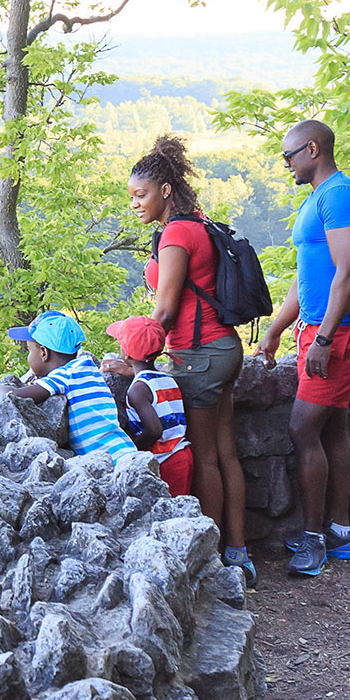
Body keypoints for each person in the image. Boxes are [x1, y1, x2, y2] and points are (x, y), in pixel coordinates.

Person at [257, 118, 350, 578]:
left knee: (302, 429)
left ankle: (314, 539)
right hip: (323, 328)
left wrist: (324, 338)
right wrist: (277, 329)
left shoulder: (340, 196)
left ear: (312, 150)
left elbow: (348, 273)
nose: (285, 164)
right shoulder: (317, 198)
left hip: (342, 331)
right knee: (332, 427)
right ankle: (340, 533)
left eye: (288, 156)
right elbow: (308, 274)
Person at [129, 134, 251, 580]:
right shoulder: (197, 222)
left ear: (164, 190)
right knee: (226, 453)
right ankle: (238, 551)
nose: (135, 204)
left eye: (141, 195)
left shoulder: (176, 234)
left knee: (204, 458)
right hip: (224, 348)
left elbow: (164, 310)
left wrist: (135, 357)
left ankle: (212, 559)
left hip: (198, 356)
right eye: (132, 196)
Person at [7, 309, 136, 458]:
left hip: (109, 458)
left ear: (43, 353)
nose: (28, 357)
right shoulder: (86, 367)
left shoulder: (64, 376)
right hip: (123, 449)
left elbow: (17, 395)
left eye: (29, 350)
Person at [106, 315, 193, 498]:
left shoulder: (138, 390)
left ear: (127, 354)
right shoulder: (167, 379)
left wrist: (132, 447)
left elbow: (154, 431)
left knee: (167, 509)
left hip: (165, 460)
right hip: (182, 453)